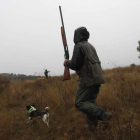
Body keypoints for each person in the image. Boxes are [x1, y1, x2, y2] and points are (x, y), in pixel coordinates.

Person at [63, 27, 112, 131]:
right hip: (97, 79)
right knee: (89, 102)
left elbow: (75, 65)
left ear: (77, 35)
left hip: (87, 81)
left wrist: (66, 62)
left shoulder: (79, 46)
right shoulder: (90, 46)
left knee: (79, 103)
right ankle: (92, 127)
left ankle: (104, 115)